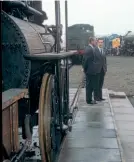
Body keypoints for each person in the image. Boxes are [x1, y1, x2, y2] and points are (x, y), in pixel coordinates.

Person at [83, 37, 100, 104]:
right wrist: (84, 69)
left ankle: (90, 99)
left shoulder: (91, 48)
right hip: (90, 71)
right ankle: (89, 100)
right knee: (89, 86)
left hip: (91, 70)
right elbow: (85, 60)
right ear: (91, 41)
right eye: (95, 41)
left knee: (91, 86)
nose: (96, 42)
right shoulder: (89, 49)